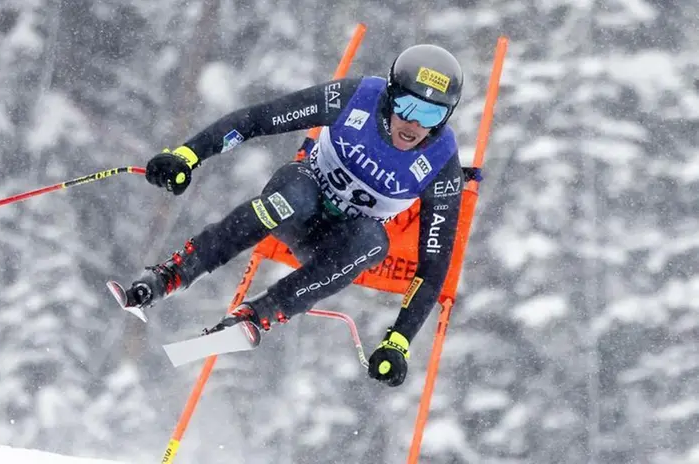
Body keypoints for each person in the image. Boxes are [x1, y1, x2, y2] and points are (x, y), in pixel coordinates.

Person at [120, 44, 471, 387]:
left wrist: (399, 342)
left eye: (431, 114)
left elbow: (435, 264)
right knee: (295, 199)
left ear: (445, 117)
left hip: (335, 243)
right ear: (390, 95)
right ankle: (172, 274)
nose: (414, 124)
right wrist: (188, 155)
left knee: (373, 242)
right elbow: (260, 119)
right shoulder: (356, 97)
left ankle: (259, 315)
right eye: (407, 106)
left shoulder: (441, 163)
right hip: (303, 192)